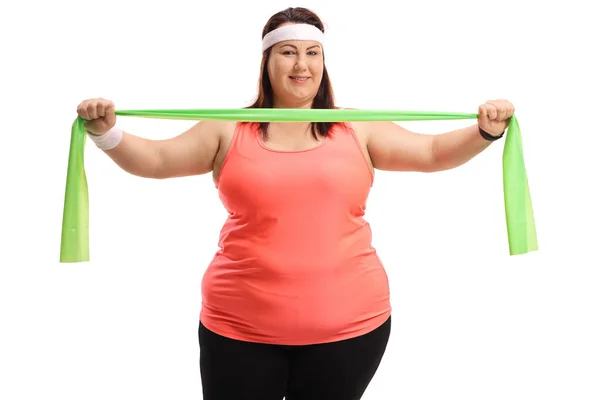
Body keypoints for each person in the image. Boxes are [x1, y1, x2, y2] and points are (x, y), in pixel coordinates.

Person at [76, 6, 514, 400]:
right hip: (239, 330)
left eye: (312, 53)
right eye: (287, 52)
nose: (301, 64)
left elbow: (434, 152)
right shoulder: (227, 129)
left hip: (350, 330)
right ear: (266, 62)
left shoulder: (357, 128)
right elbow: (155, 160)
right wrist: (105, 131)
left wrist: (486, 130)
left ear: (324, 62)